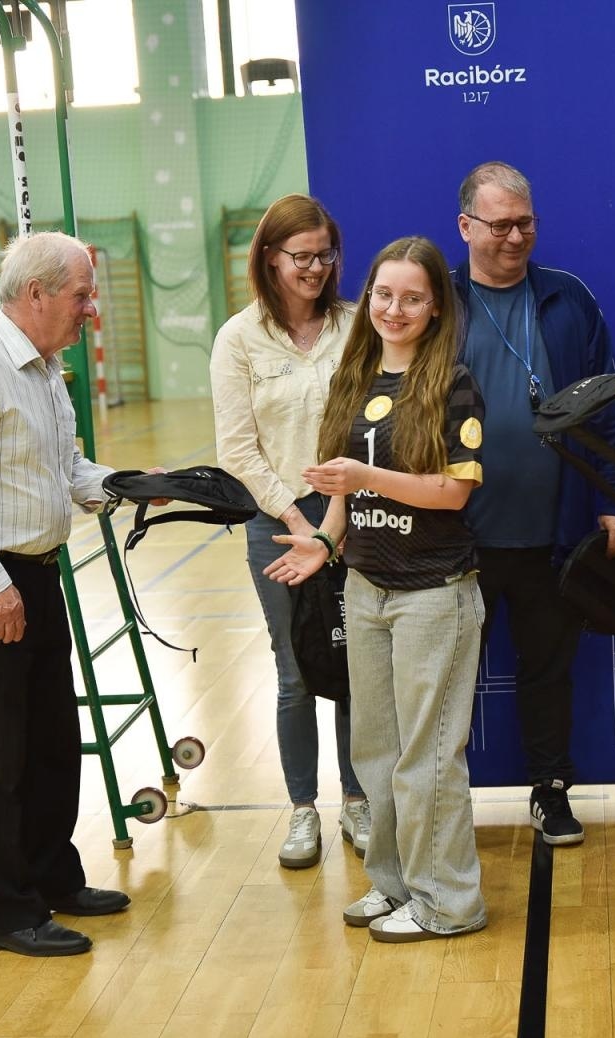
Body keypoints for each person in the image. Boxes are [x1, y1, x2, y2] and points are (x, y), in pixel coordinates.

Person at [265, 236, 487, 943]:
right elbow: (340, 484)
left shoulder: (452, 382)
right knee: (379, 756)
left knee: (428, 760)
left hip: (433, 595)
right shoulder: (354, 377)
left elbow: (452, 493)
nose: (395, 309)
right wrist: (326, 540)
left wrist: (367, 482)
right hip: (366, 589)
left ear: (434, 307)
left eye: (412, 298)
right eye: (384, 295)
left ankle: (448, 904)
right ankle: (393, 887)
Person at [0, 231, 130, 957]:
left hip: (35, 576)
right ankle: (8, 912)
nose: (90, 308)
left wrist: (134, 487)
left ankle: (51, 880)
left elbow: (66, 472)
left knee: (50, 743)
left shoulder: (44, 369)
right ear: (35, 294)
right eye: (81, 295)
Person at [452, 161, 615, 845]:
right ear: (465, 226)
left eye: (526, 222)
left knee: (549, 671)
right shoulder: (438, 302)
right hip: (456, 534)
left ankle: (550, 791)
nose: (515, 236)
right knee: (446, 680)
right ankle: (443, 804)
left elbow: (609, 404)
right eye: (500, 224)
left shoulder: (568, 299)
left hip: (553, 531)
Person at [210, 194, 369, 870]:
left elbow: (373, 420)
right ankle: (303, 810)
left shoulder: (355, 326)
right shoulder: (237, 338)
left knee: (357, 664)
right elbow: (236, 449)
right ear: (269, 259)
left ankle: (358, 801)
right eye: (299, 257)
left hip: (355, 517)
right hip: (275, 522)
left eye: (324, 256)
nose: (313, 268)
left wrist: (336, 520)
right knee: (296, 670)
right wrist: (296, 516)